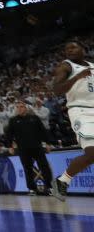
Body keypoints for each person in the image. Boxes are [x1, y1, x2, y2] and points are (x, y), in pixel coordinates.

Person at [51, 40, 94, 200]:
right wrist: (77, 78)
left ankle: (62, 181)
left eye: (73, 47)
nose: (69, 50)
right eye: (67, 48)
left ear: (83, 49)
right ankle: (64, 180)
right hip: (81, 111)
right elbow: (56, 90)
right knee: (92, 153)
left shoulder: (91, 65)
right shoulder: (66, 66)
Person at [6, 101, 52, 195]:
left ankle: (49, 187)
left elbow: (42, 131)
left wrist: (48, 143)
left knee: (44, 166)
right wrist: (10, 146)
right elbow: (9, 135)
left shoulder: (34, 118)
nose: (19, 108)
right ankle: (32, 188)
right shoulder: (13, 120)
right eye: (17, 107)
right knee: (27, 168)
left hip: (37, 147)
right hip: (23, 149)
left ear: (26, 108)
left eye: (21, 106)